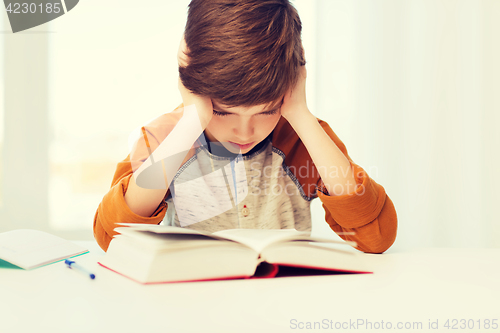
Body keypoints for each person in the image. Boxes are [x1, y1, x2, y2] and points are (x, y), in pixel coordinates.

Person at [93, 0, 397, 253]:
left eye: (266, 111)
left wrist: (300, 113)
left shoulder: (303, 138)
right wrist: (192, 121)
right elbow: (112, 239)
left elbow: (376, 238)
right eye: (223, 113)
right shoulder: (167, 138)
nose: (244, 132)